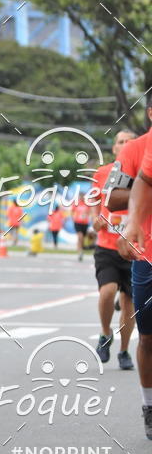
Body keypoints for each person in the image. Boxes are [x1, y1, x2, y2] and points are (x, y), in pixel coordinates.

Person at [113, 96, 152, 438]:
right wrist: (135, 219)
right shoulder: (135, 150)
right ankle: (149, 405)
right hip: (147, 255)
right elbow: (113, 197)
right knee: (149, 338)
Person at [90, 130, 136, 368]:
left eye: (130, 142)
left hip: (135, 248)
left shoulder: (143, 173)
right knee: (107, 292)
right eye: (121, 142)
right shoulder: (102, 173)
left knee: (129, 303)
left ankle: (124, 351)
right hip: (107, 246)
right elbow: (95, 202)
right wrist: (96, 220)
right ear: (114, 148)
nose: (125, 145)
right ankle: (105, 333)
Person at [71, 194, 90, 260]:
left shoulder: (87, 204)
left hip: (85, 223)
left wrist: (87, 216)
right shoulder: (76, 203)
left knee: (82, 239)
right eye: (80, 196)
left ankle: (81, 249)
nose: (82, 197)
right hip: (77, 222)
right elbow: (72, 211)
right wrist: (73, 218)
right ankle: (80, 252)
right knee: (80, 236)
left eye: (83, 196)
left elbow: (90, 212)